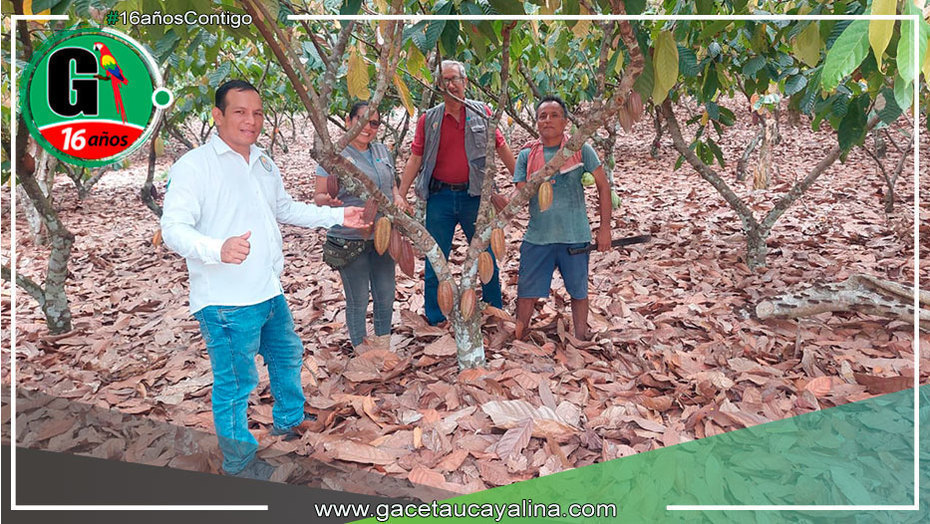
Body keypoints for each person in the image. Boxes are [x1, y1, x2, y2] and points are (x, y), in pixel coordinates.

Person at [160, 80, 370, 480]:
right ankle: (239, 464)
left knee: (287, 355)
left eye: (257, 113)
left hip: (267, 289)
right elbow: (173, 229)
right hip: (225, 300)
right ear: (217, 116)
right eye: (239, 112)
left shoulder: (263, 161)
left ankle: (289, 420)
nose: (250, 121)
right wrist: (216, 248)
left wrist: (338, 217)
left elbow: (284, 209)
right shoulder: (195, 166)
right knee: (237, 384)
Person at [395, 59, 517, 326]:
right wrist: (400, 194)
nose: (450, 84)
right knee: (435, 259)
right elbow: (415, 158)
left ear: (465, 82)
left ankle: (493, 308)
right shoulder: (429, 119)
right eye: (444, 80)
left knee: (485, 255)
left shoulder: (482, 112)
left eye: (455, 79)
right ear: (439, 86)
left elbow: (502, 147)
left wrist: (521, 181)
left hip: (474, 196)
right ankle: (436, 316)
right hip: (440, 198)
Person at [512, 95, 612, 341]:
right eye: (542, 116)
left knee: (578, 291)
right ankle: (519, 336)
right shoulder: (527, 155)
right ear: (536, 123)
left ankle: (580, 337)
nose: (548, 120)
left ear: (566, 122)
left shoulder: (580, 150)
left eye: (554, 115)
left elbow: (603, 186)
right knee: (526, 292)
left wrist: (604, 229)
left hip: (574, 235)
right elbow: (520, 195)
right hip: (538, 235)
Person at [314, 101, 400, 349]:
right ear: (348, 121)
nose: (368, 127)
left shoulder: (382, 150)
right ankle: (361, 352)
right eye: (361, 120)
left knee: (385, 293)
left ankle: (382, 347)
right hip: (349, 237)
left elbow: (391, 184)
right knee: (358, 298)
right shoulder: (334, 157)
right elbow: (318, 195)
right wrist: (329, 200)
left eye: (374, 123)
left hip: (383, 234)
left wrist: (398, 197)